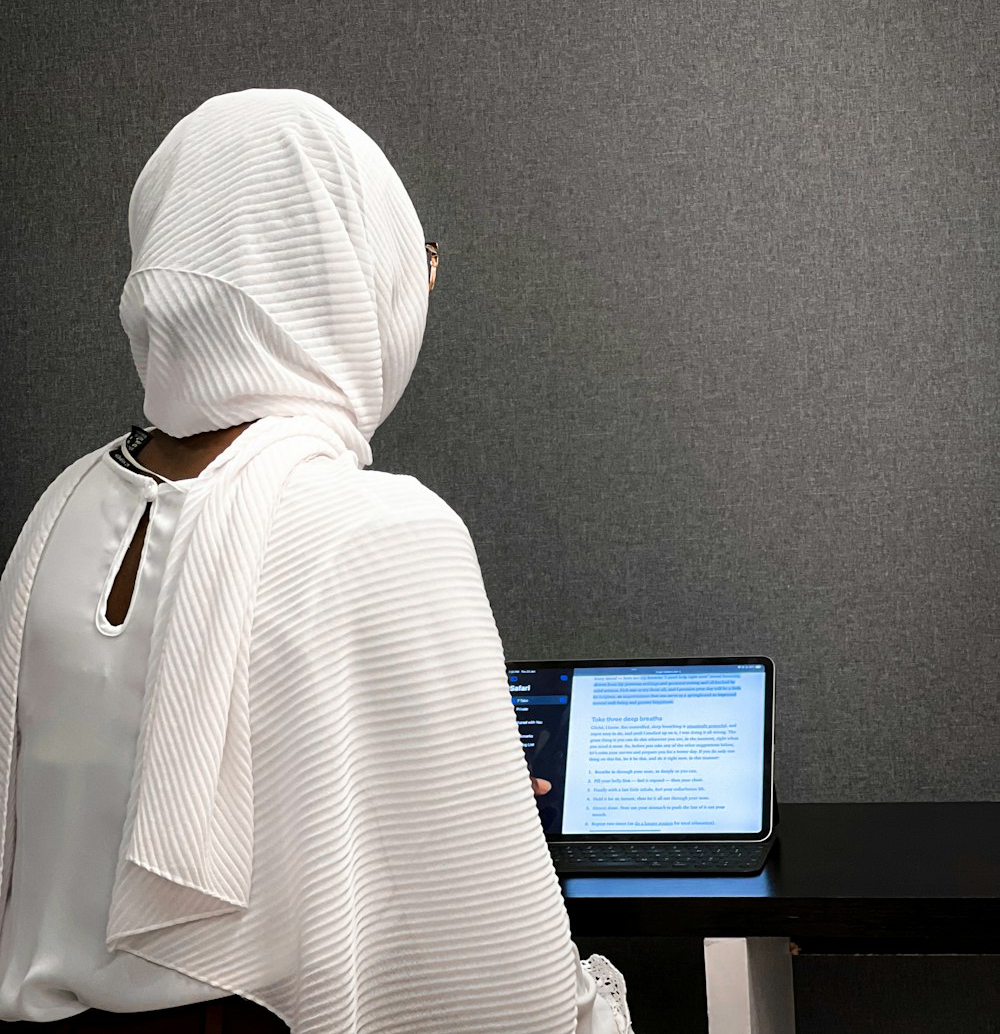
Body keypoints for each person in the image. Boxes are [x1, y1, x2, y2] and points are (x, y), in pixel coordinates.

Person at [0, 90, 633, 1033]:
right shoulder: (382, 531)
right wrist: (484, 826)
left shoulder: (55, 512)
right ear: (339, 276)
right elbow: (507, 987)